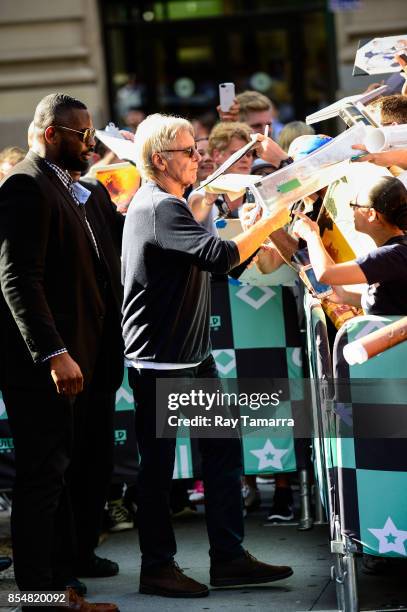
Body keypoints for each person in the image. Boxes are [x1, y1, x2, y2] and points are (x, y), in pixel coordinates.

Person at [121, 113, 293, 598]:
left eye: (197, 149)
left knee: (220, 451)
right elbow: (221, 258)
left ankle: (229, 558)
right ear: (160, 160)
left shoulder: (167, 204)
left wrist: (247, 227)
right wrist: (272, 221)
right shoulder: (158, 206)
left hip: (187, 358)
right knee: (157, 471)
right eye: (188, 152)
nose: (199, 158)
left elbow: (206, 257)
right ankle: (157, 567)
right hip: (163, 363)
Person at [0, 93, 123, 610]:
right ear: (51, 133)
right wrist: (54, 354)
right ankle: (42, 596)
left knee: (65, 474)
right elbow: (17, 279)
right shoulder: (25, 184)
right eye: (82, 135)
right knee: (42, 478)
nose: (91, 144)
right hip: (45, 366)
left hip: (84, 358)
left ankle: (60, 583)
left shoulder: (67, 185)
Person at [293, 176, 407, 315]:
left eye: (355, 206)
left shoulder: (392, 255)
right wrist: (341, 295)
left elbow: (325, 273)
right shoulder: (396, 253)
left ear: (371, 214)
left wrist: (311, 235)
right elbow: (390, 302)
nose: (352, 210)